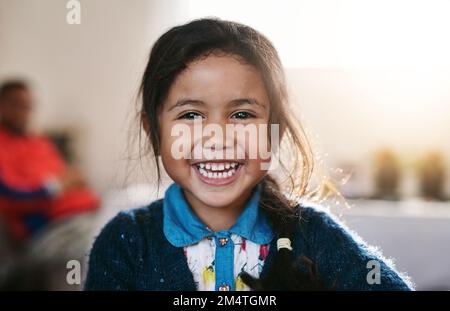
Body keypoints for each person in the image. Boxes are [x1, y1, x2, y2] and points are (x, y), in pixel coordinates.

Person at [84, 18, 413, 291]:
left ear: (275, 131)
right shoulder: (126, 243)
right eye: (191, 115)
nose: (217, 138)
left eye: (242, 115)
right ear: (153, 132)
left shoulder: (313, 234)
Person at [0, 80, 99, 289]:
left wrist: (73, 181)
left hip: (86, 214)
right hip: (49, 228)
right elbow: (9, 195)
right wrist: (55, 187)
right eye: (16, 104)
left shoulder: (39, 143)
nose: (24, 111)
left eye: (28, 105)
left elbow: (70, 178)